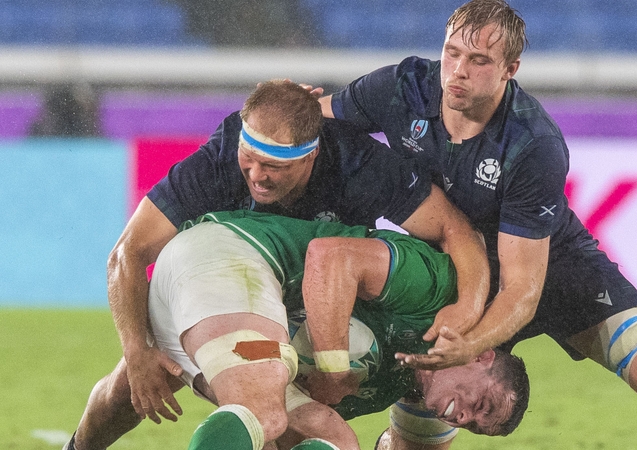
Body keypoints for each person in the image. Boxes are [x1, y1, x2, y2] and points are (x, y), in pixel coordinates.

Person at [320, 1, 637, 448]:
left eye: (479, 60)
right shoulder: (401, 88)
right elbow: (313, 121)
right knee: (419, 442)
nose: (458, 71)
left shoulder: (533, 144)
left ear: (510, 69)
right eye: (452, 53)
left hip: (559, 275)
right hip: (454, 276)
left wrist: (471, 346)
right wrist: (279, 108)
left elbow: (523, 289)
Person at [64, 80, 490, 450]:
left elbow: (455, 230)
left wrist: (467, 308)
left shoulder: (359, 165)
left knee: (308, 429)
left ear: (311, 155)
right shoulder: (219, 160)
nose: (256, 176)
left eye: (274, 167)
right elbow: (128, 252)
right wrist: (136, 350)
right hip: (219, 278)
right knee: (140, 385)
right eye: (249, 159)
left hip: (292, 297)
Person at [146, 210, 528, 448]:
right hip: (223, 259)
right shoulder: (436, 290)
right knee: (266, 413)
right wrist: (333, 368)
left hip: (195, 336)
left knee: (334, 441)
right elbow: (329, 256)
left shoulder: (400, 386)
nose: (463, 419)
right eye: (482, 405)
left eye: (474, 427)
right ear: (482, 355)